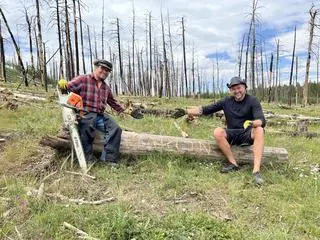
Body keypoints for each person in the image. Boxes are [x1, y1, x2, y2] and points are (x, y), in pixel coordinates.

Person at [185, 76, 266, 185]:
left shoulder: (252, 100)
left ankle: (256, 172)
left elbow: (261, 120)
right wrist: (187, 111)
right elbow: (206, 109)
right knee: (217, 131)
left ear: (245, 88)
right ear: (230, 90)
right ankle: (233, 164)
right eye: (233, 89)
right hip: (232, 133)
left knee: (260, 130)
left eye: (239, 88)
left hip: (247, 133)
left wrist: (253, 123)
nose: (237, 91)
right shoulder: (226, 101)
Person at [67, 59, 124, 166]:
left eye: (107, 70)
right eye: (102, 68)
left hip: (100, 115)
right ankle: (87, 158)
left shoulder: (106, 88)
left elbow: (112, 102)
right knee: (87, 127)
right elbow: (67, 88)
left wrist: (124, 111)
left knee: (116, 129)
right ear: (96, 67)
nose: (104, 71)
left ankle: (108, 159)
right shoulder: (83, 79)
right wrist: (72, 108)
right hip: (85, 113)